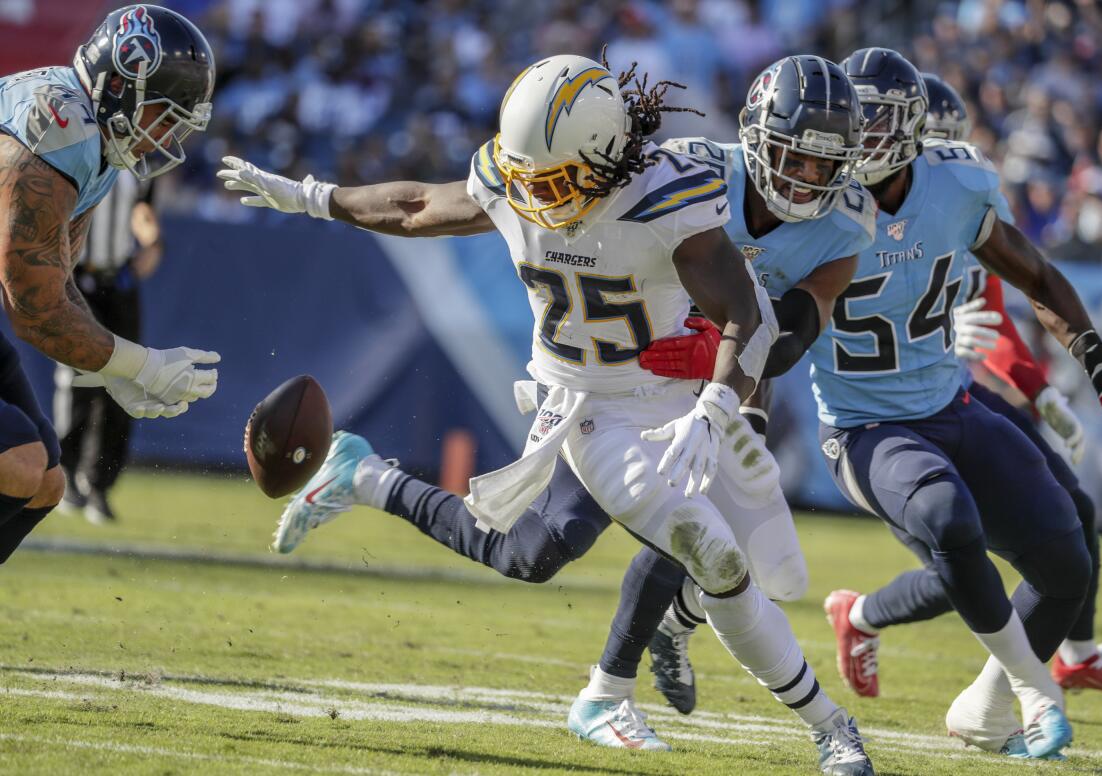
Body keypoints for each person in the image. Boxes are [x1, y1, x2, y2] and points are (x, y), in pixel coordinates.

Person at [219, 54, 875, 775]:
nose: (532, 195)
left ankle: (366, 477)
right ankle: (819, 726)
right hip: (586, 407)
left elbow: (744, 313)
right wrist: (312, 196)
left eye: (553, 179)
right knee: (708, 550)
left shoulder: (666, 194)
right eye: (524, 175)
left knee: (541, 553)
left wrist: (719, 406)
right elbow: (415, 207)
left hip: (668, 394)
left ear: (599, 157)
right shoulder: (520, 172)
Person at [632, 49, 1102, 761]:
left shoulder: (955, 184)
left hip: (949, 398)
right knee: (920, 519)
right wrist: (739, 402)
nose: (864, 137)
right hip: (860, 422)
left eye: (881, 120)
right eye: (859, 119)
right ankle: (649, 645)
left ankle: (990, 706)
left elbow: (1031, 273)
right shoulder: (818, 202)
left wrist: (1101, 370)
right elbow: (772, 322)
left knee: (1068, 555)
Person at [822, 73, 1102, 705]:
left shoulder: (956, 190)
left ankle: (1071, 657)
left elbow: (1005, 298)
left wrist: (1048, 391)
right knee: (957, 544)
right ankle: (869, 618)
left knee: (1063, 523)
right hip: (882, 408)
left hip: (954, 392)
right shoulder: (832, 203)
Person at [0, 5, 221, 562]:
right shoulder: (56, 127)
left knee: (46, 483)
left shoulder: (92, 140)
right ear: (122, 83)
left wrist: (109, 365)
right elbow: (35, 309)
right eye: (164, 116)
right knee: (18, 464)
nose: (166, 136)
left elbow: (57, 276)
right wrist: (135, 364)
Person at [54, 171, 163, 524]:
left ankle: (100, 484)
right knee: (79, 377)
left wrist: (153, 241)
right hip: (79, 277)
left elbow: (141, 211)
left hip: (119, 280)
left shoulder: (141, 162)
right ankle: (66, 472)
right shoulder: (85, 151)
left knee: (124, 382)